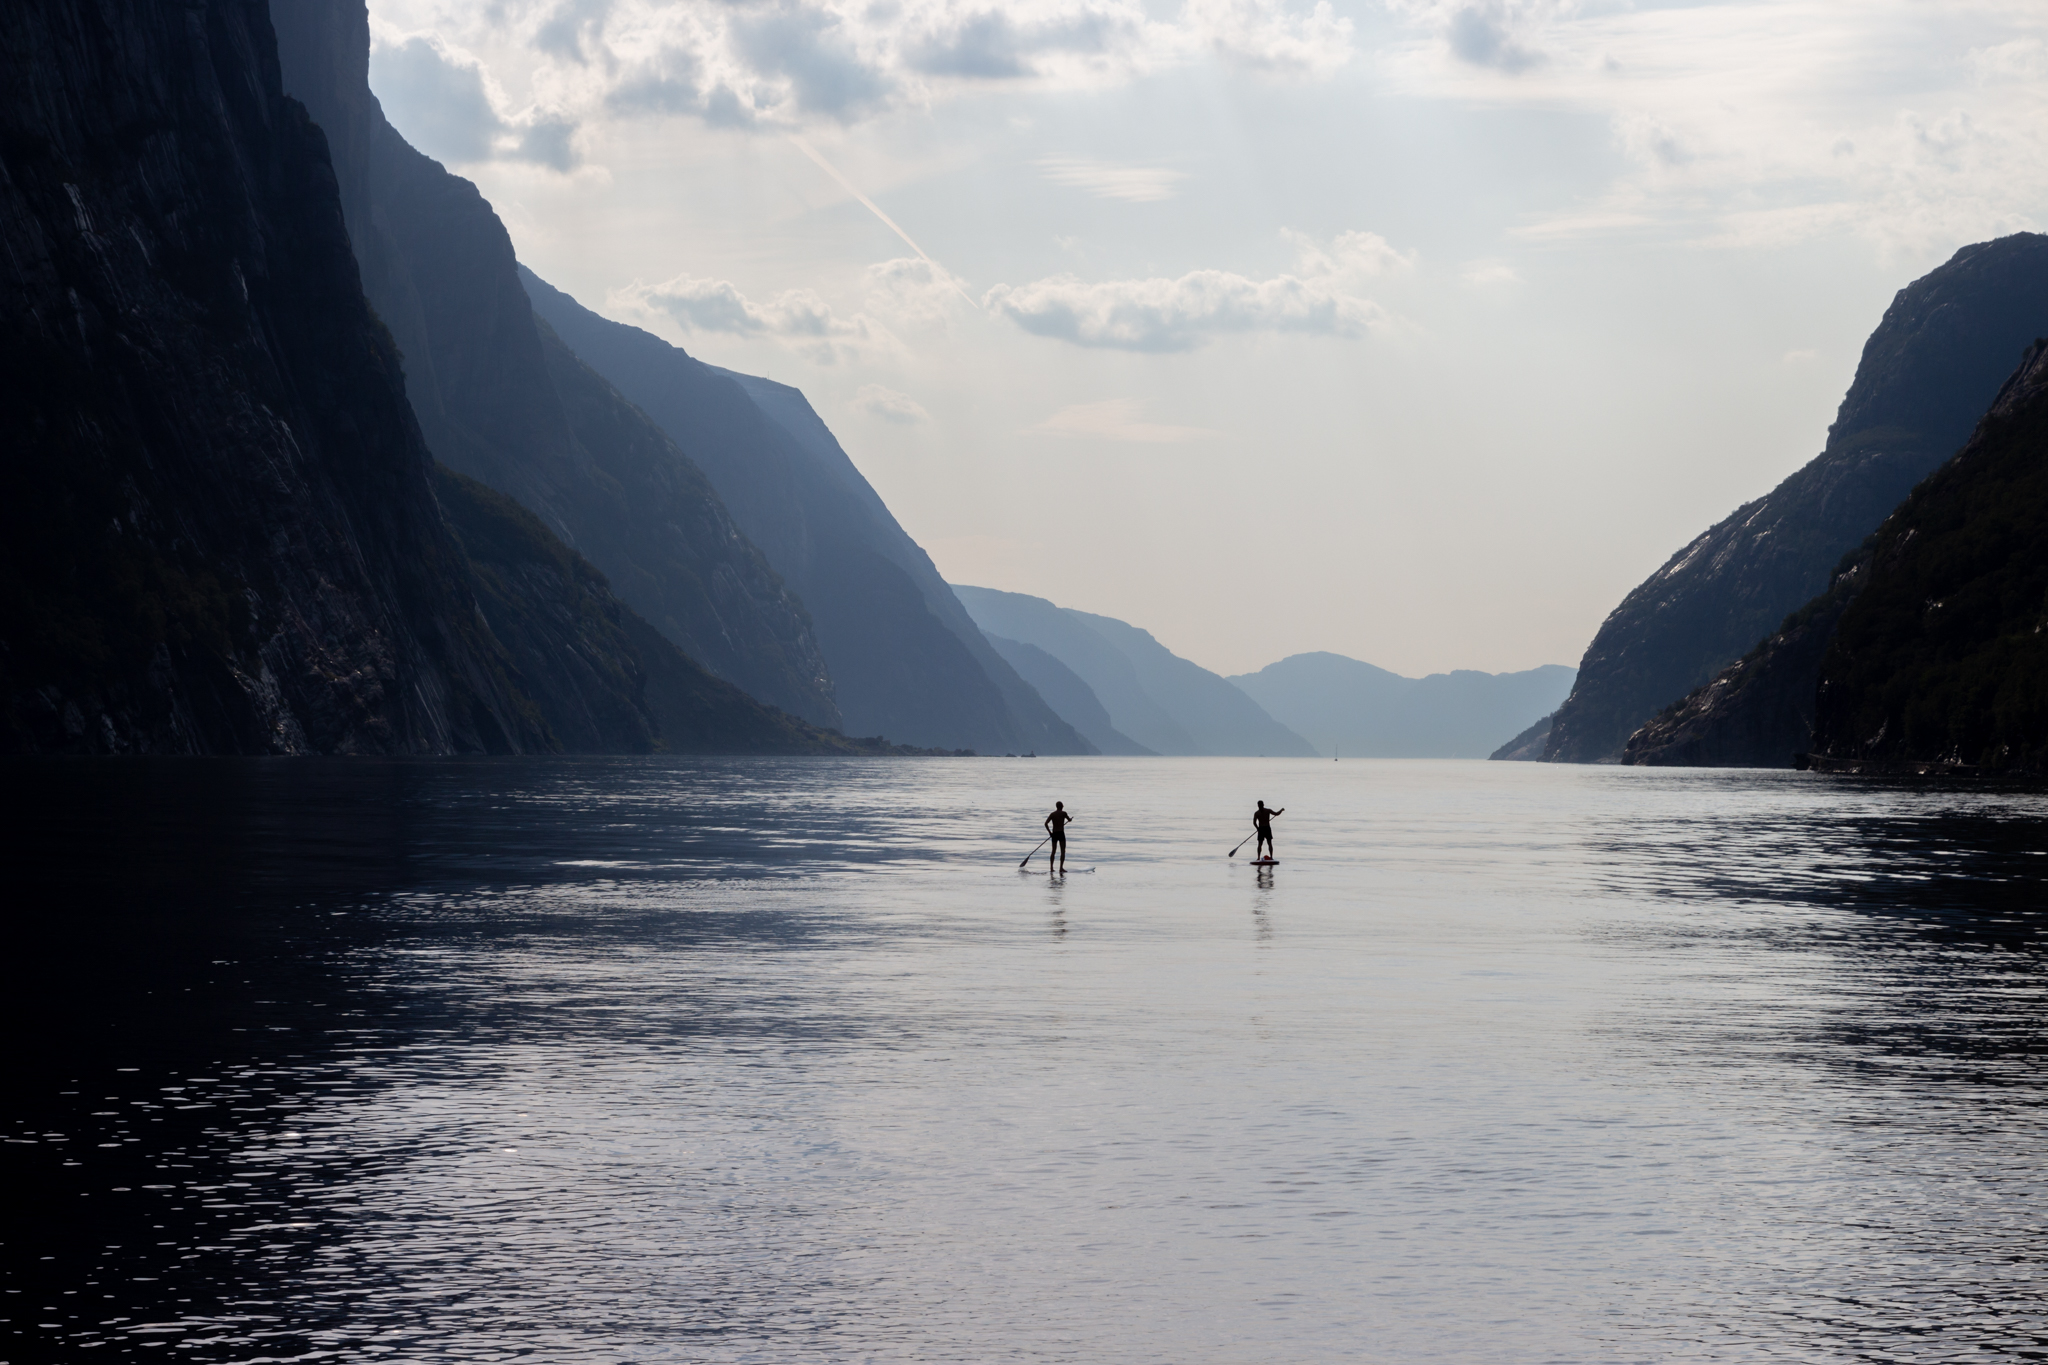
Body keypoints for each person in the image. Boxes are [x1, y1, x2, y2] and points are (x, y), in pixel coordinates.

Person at [1044, 801, 1073, 874]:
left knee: (1053, 851)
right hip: (1061, 833)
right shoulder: (1064, 813)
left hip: (1054, 834)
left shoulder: (1052, 814)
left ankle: (1051, 868)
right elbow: (1069, 820)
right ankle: (1061, 868)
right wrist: (1070, 820)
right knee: (1063, 851)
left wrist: (1050, 833)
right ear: (1062, 806)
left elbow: (1046, 823)